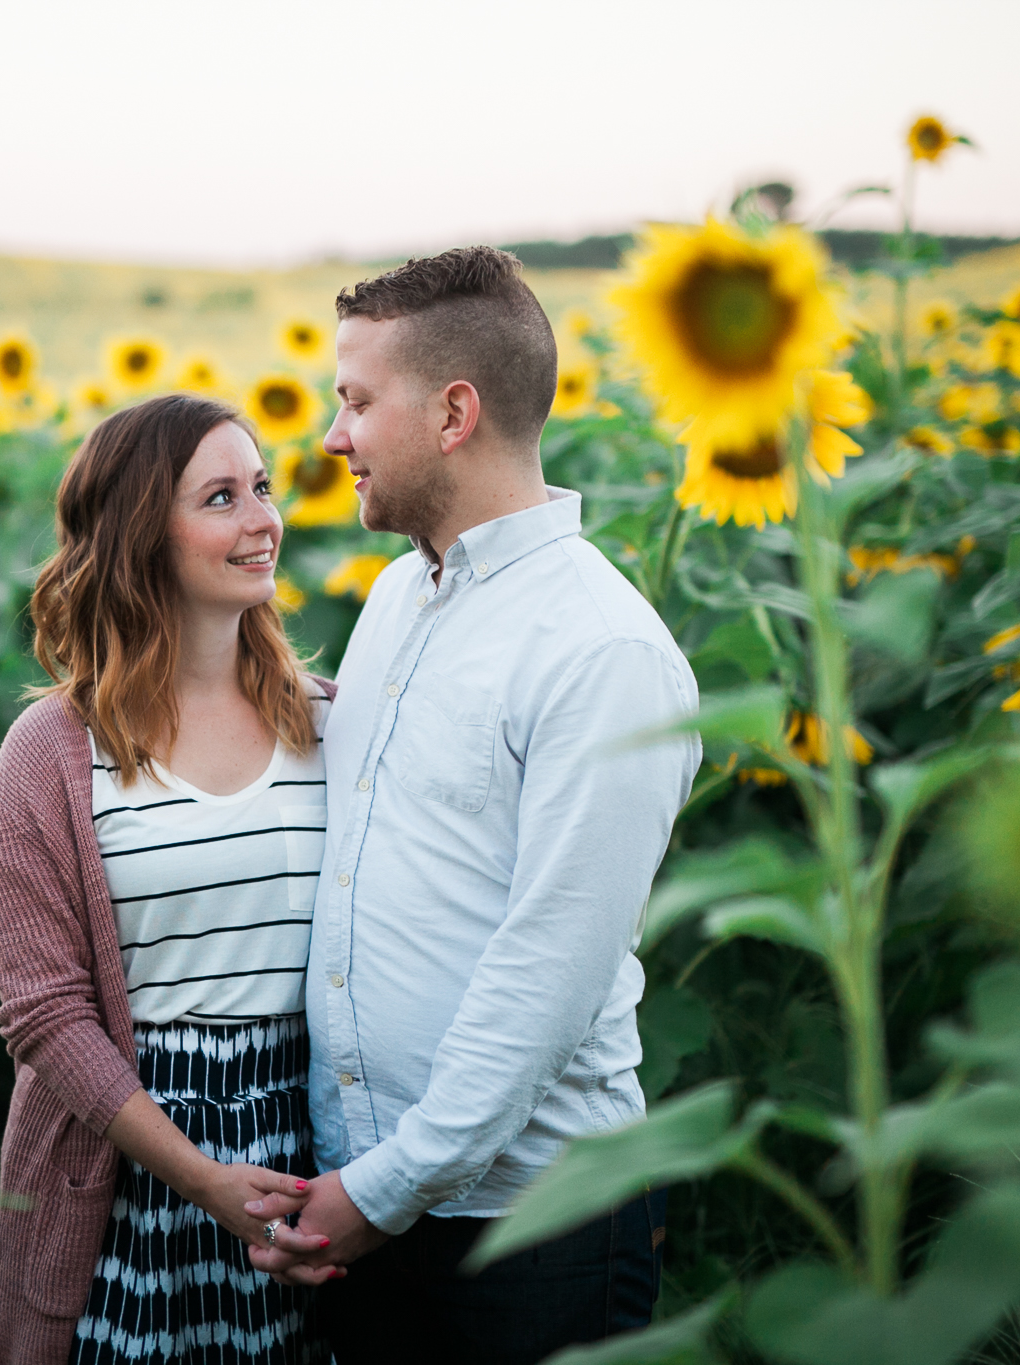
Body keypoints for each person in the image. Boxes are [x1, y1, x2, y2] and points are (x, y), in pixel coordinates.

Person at [243, 246, 701, 1364]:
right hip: (367, 1198)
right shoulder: (402, 593)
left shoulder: (600, 653)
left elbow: (547, 972)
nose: (329, 437)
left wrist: (383, 1187)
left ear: (453, 413)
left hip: (529, 1228)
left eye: (354, 401)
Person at [0, 393, 337, 1365]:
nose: (261, 519)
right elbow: (44, 1015)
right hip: (129, 1164)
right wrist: (201, 1177)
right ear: (140, 534)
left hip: (314, 1156)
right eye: (220, 497)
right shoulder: (46, 756)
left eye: (259, 487)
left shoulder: (332, 728)